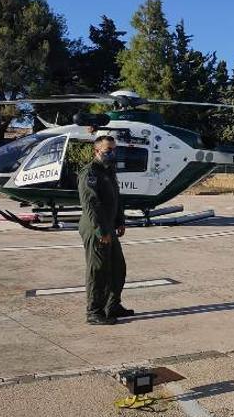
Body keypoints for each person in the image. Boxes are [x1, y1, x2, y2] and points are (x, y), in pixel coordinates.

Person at [78, 135, 131, 325]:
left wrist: (120, 221)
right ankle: (94, 311)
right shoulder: (90, 173)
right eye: (109, 150)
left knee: (118, 267)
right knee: (98, 270)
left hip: (109, 226)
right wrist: (101, 231)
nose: (113, 153)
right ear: (97, 151)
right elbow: (91, 205)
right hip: (96, 229)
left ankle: (112, 305)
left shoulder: (109, 171)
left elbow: (116, 198)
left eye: (114, 150)